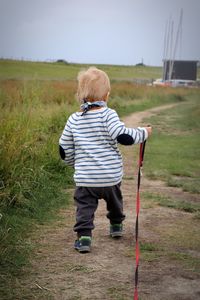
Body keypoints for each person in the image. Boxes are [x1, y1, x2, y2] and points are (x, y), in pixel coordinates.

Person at [59, 67, 152, 253]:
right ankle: (116, 225)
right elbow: (123, 136)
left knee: (84, 207)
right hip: (110, 177)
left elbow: (63, 148)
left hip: (86, 179)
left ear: (80, 95)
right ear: (107, 95)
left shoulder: (74, 119)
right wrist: (144, 133)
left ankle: (84, 237)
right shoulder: (108, 114)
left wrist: (74, 164)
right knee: (115, 201)